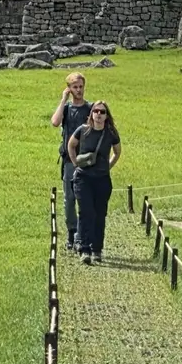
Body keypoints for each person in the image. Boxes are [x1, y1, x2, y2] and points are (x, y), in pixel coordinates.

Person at [67, 101, 122, 263]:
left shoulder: (110, 133)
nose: (98, 114)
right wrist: (75, 163)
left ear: (106, 116)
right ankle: (84, 249)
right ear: (91, 113)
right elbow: (71, 145)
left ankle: (97, 249)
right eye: (96, 111)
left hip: (102, 180)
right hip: (83, 178)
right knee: (86, 212)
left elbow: (117, 152)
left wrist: (108, 166)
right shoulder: (83, 130)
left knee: (100, 214)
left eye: (102, 112)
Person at [50, 72, 91, 251]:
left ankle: (83, 235)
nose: (79, 90)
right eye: (75, 87)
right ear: (69, 88)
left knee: (86, 199)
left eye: (81, 86)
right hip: (68, 160)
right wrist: (63, 100)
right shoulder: (66, 109)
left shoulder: (90, 109)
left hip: (87, 161)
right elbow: (55, 122)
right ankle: (71, 232)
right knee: (69, 199)